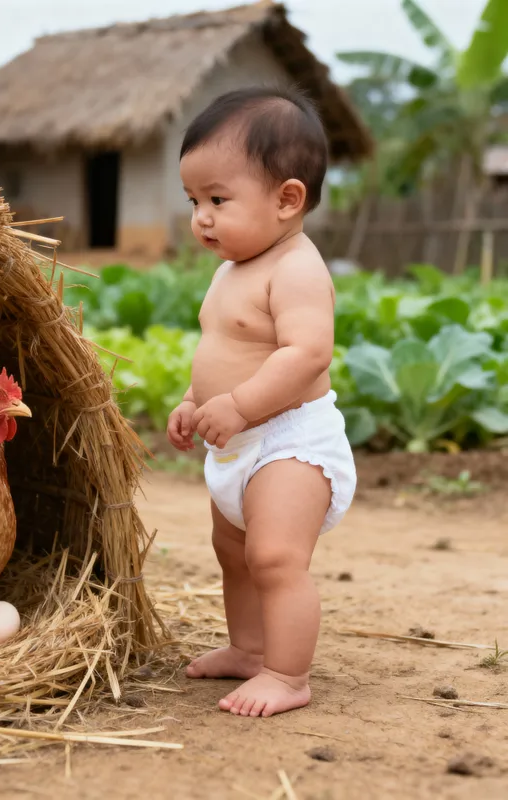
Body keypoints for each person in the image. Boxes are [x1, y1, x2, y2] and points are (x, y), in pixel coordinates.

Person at [166, 87, 357, 718]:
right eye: (194, 201)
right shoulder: (231, 271)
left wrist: (243, 406)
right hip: (236, 441)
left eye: (218, 199)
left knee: (275, 557)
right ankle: (249, 649)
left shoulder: (297, 268)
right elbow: (223, 346)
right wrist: (194, 398)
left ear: (288, 199)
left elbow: (306, 355)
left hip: (290, 441)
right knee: (234, 553)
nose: (202, 217)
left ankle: (286, 673)